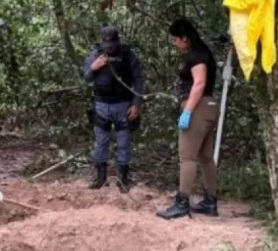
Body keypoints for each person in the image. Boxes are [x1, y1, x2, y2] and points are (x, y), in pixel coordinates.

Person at [156, 19, 219, 219]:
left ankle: (182, 202)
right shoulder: (204, 52)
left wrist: (188, 111)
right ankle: (210, 201)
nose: (175, 43)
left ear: (185, 38)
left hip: (198, 107)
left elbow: (199, 83)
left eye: (176, 39)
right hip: (209, 106)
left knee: (187, 157)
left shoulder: (197, 56)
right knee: (206, 158)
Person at [82, 25, 144, 193]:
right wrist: (94, 68)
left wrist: (136, 103)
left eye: (112, 44)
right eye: (106, 44)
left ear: (117, 42)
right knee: (100, 142)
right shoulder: (95, 54)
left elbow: (139, 80)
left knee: (123, 142)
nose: (109, 47)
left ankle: (123, 178)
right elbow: (86, 77)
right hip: (101, 104)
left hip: (123, 104)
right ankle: (101, 177)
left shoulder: (127, 55)